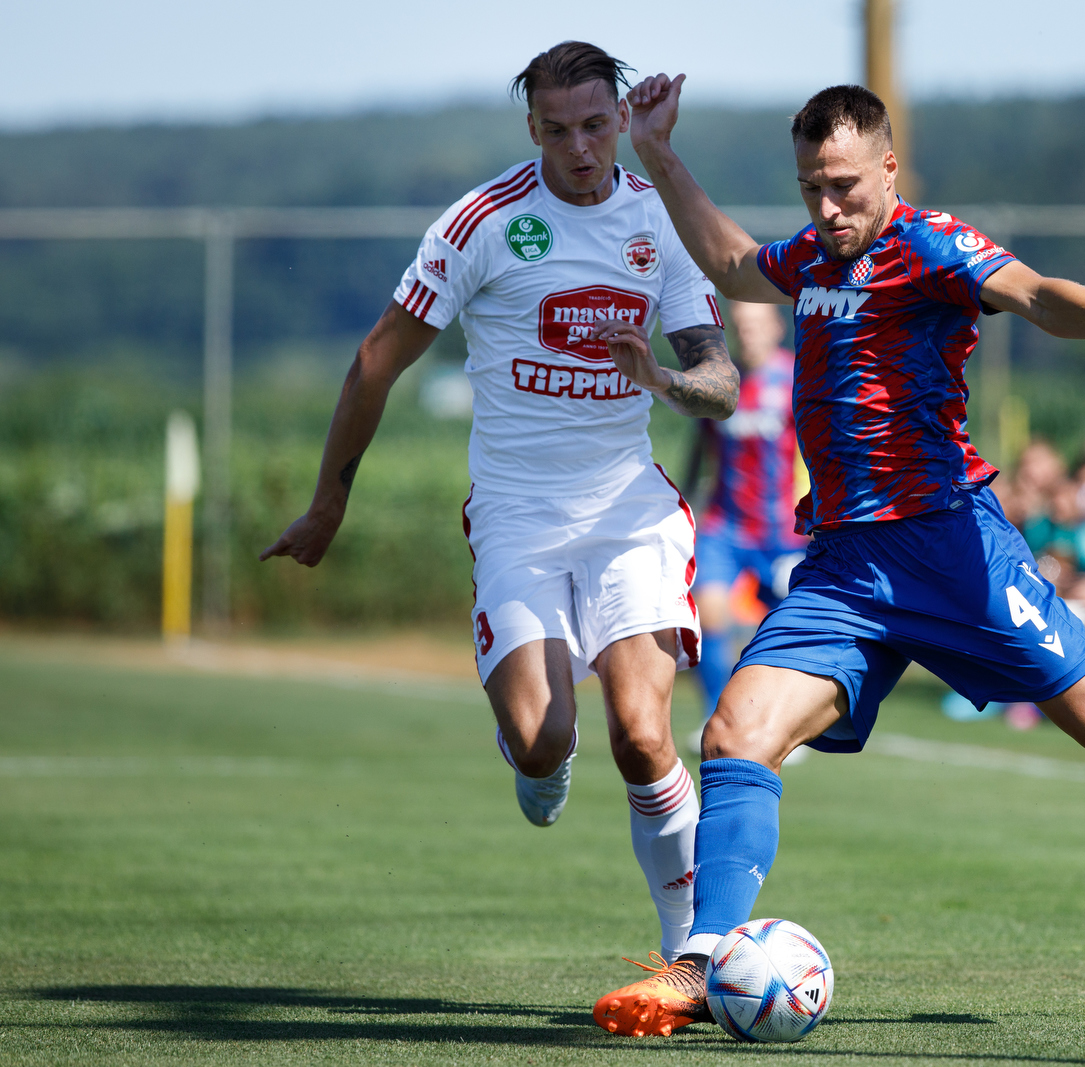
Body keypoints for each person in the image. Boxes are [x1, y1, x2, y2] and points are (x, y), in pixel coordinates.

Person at [589, 77, 1085, 1038]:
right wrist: (660, 152)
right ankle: (702, 961)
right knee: (734, 734)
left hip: (951, 549)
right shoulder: (814, 260)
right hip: (843, 568)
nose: (828, 208)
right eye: (810, 189)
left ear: (886, 168)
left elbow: (1039, 296)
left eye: (843, 186)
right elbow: (735, 259)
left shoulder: (932, 244)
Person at [259, 42, 738, 964]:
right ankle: (535, 756)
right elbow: (376, 360)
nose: (582, 148)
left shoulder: (658, 221)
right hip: (519, 513)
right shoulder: (483, 223)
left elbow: (719, 379)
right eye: (558, 131)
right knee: (541, 736)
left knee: (643, 737)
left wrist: (664, 378)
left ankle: (691, 955)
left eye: (597, 125)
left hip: (629, 510)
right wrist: (328, 505)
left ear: (622, 118)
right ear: (533, 130)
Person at [683, 300, 809, 717]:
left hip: (784, 529)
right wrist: (683, 500)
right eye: (741, 327)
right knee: (712, 615)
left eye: (756, 326)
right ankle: (714, 720)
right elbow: (700, 448)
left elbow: (820, 452)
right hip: (725, 525)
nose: (748, 334)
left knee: (782, 636)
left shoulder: (797, 378)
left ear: (776, 327)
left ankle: (778, 724)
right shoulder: (720, 383)